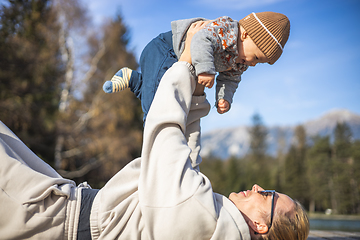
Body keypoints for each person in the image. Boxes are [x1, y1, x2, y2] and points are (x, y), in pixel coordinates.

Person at [0, 22, 308, 240]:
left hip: (52, 218)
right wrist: (199, 98)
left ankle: (137, 80)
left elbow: (164, 137)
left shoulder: (205, 222)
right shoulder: (216, 224)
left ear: (260, 225)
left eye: (267, 194)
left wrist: (186, 67)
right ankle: (137, 81)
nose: (257, 186)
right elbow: (186, 157)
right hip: (65, 207)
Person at [102, 12, 290, 122]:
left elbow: (231, 80)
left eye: (260, 62)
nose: (253, 63)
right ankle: (151, 136)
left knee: (162, 94)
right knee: (155, 108)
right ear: (246, 35)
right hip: (166, 49)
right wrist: (206, 70)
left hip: (178, 60)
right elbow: (201, 39)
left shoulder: (239, 61)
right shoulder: (227, 30)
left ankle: (133, 79)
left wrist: (225, 98)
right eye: (256, 57)